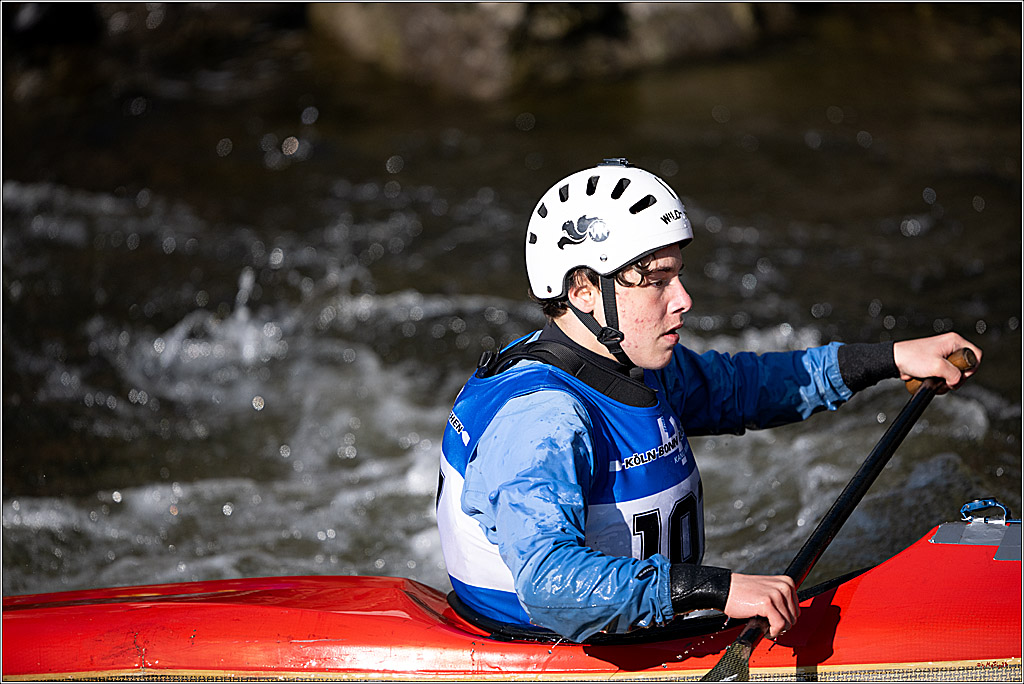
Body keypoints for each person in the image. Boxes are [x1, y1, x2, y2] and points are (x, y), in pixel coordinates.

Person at [435, 158, 982, 644]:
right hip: (548, 652)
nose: (684, 300)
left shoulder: (627, 362)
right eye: (657, 282)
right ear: (583, 291)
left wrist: (888, 358)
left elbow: (743, 387)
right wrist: (716, 590)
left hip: (642, 624)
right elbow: (550, 586)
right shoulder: (542, 422)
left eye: (679, 276)